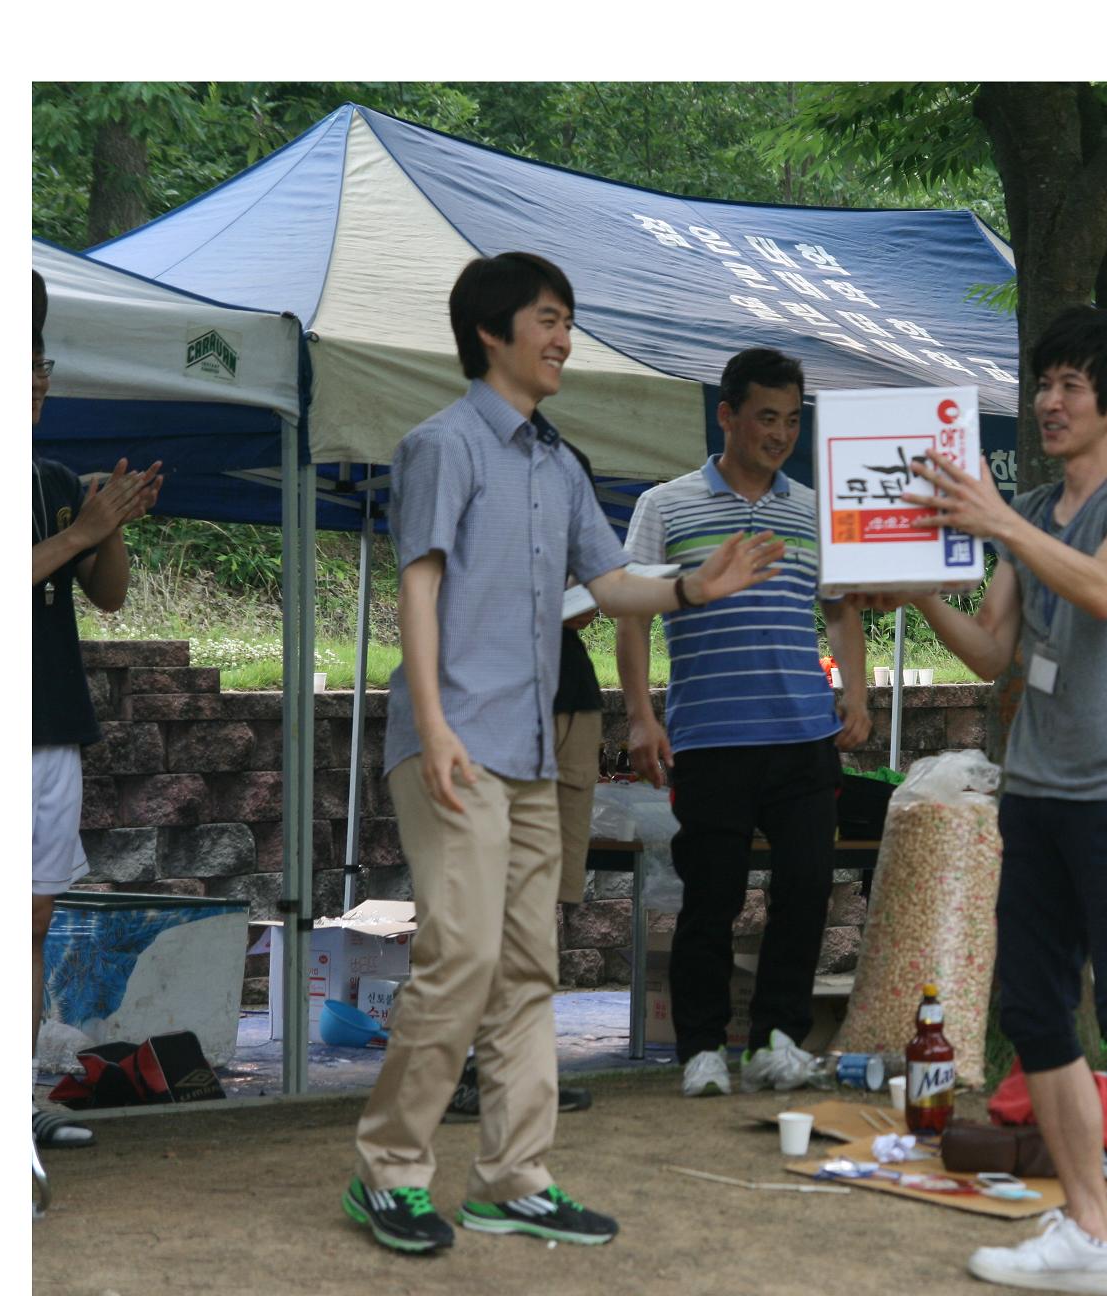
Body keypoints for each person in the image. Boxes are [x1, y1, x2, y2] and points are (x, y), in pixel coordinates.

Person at [345, 252, 783, 1256]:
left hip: (533, 752)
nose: (564, 338)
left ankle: (513, 1179)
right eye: (548, 318)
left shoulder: (558, 462)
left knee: (526, 968)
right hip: (455, 742)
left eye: (568, 320)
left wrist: (693, 588)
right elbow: (419, 586)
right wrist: (434, 725)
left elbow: (610, 581)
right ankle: (388, 1172)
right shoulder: (443, 445)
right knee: (460, 958)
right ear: (490, 331)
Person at [887, 306, 1107, 1296]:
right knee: (1032, 1008)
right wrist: (916, 589)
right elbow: (991, 652)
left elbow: (1104, 588)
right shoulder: (1026, 509)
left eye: (1070, 386)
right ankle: (1089, 1230)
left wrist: (1002, 526)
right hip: (1036, 793)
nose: (1048, 402)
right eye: (1042, 383)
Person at [616, 347, 870, 1099]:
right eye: (766, 417)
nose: (781, 434)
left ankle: (777, 1042)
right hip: (709, 738)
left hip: (803, 736)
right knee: (711, 896)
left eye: (791, 420)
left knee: (807, 888)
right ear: (727, 416)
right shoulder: (665, 506)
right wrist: (640, 717)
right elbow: (630, 616)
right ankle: (699, 1048)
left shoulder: (813, 508)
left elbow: (840, 610)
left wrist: (857, 693)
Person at [31, 269, 163, 1149]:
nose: (36, 381)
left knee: (32, 921)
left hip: (49, 726)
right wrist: (80, 530)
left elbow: (107, 595)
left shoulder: (47, 477)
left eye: (40, 365)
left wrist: (106, 523)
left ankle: (19, 1100)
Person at [443, 436, 599, 1124]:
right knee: (487, 897)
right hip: (495, 712)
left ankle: (522, 1068)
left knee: (545, 901)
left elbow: (595, 598)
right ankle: (462, 1067)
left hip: (572, 705)